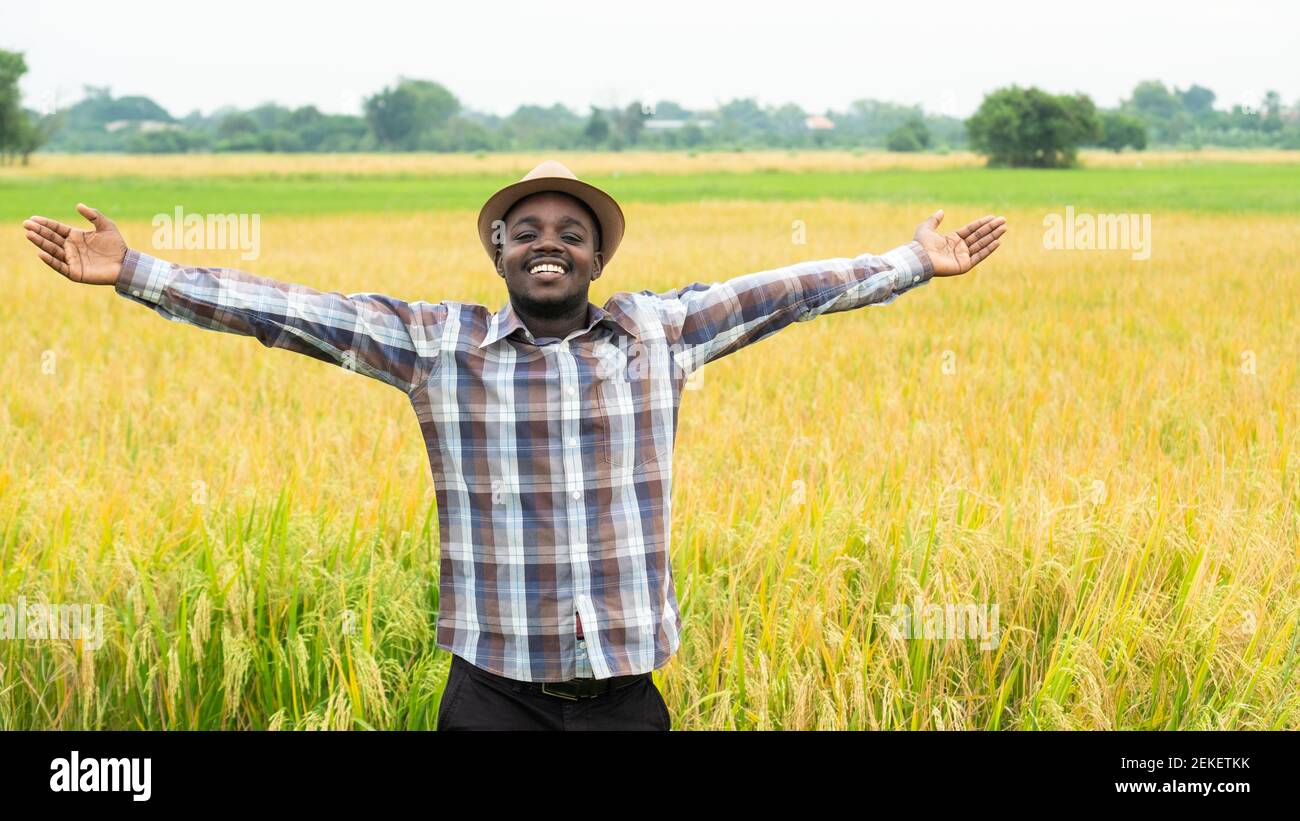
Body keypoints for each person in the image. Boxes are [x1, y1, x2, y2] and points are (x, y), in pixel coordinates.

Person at [22, 161, 1007, 731]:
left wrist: (911, 262)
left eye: (571, 230)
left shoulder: (657, 333)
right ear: (497, 252)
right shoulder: (435, 344)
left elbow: (789, 290)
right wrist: (137, 270)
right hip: (492, 698)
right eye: (525, 227)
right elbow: (286, 311)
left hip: (628, 700)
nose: (549, 241)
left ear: (596, 256)